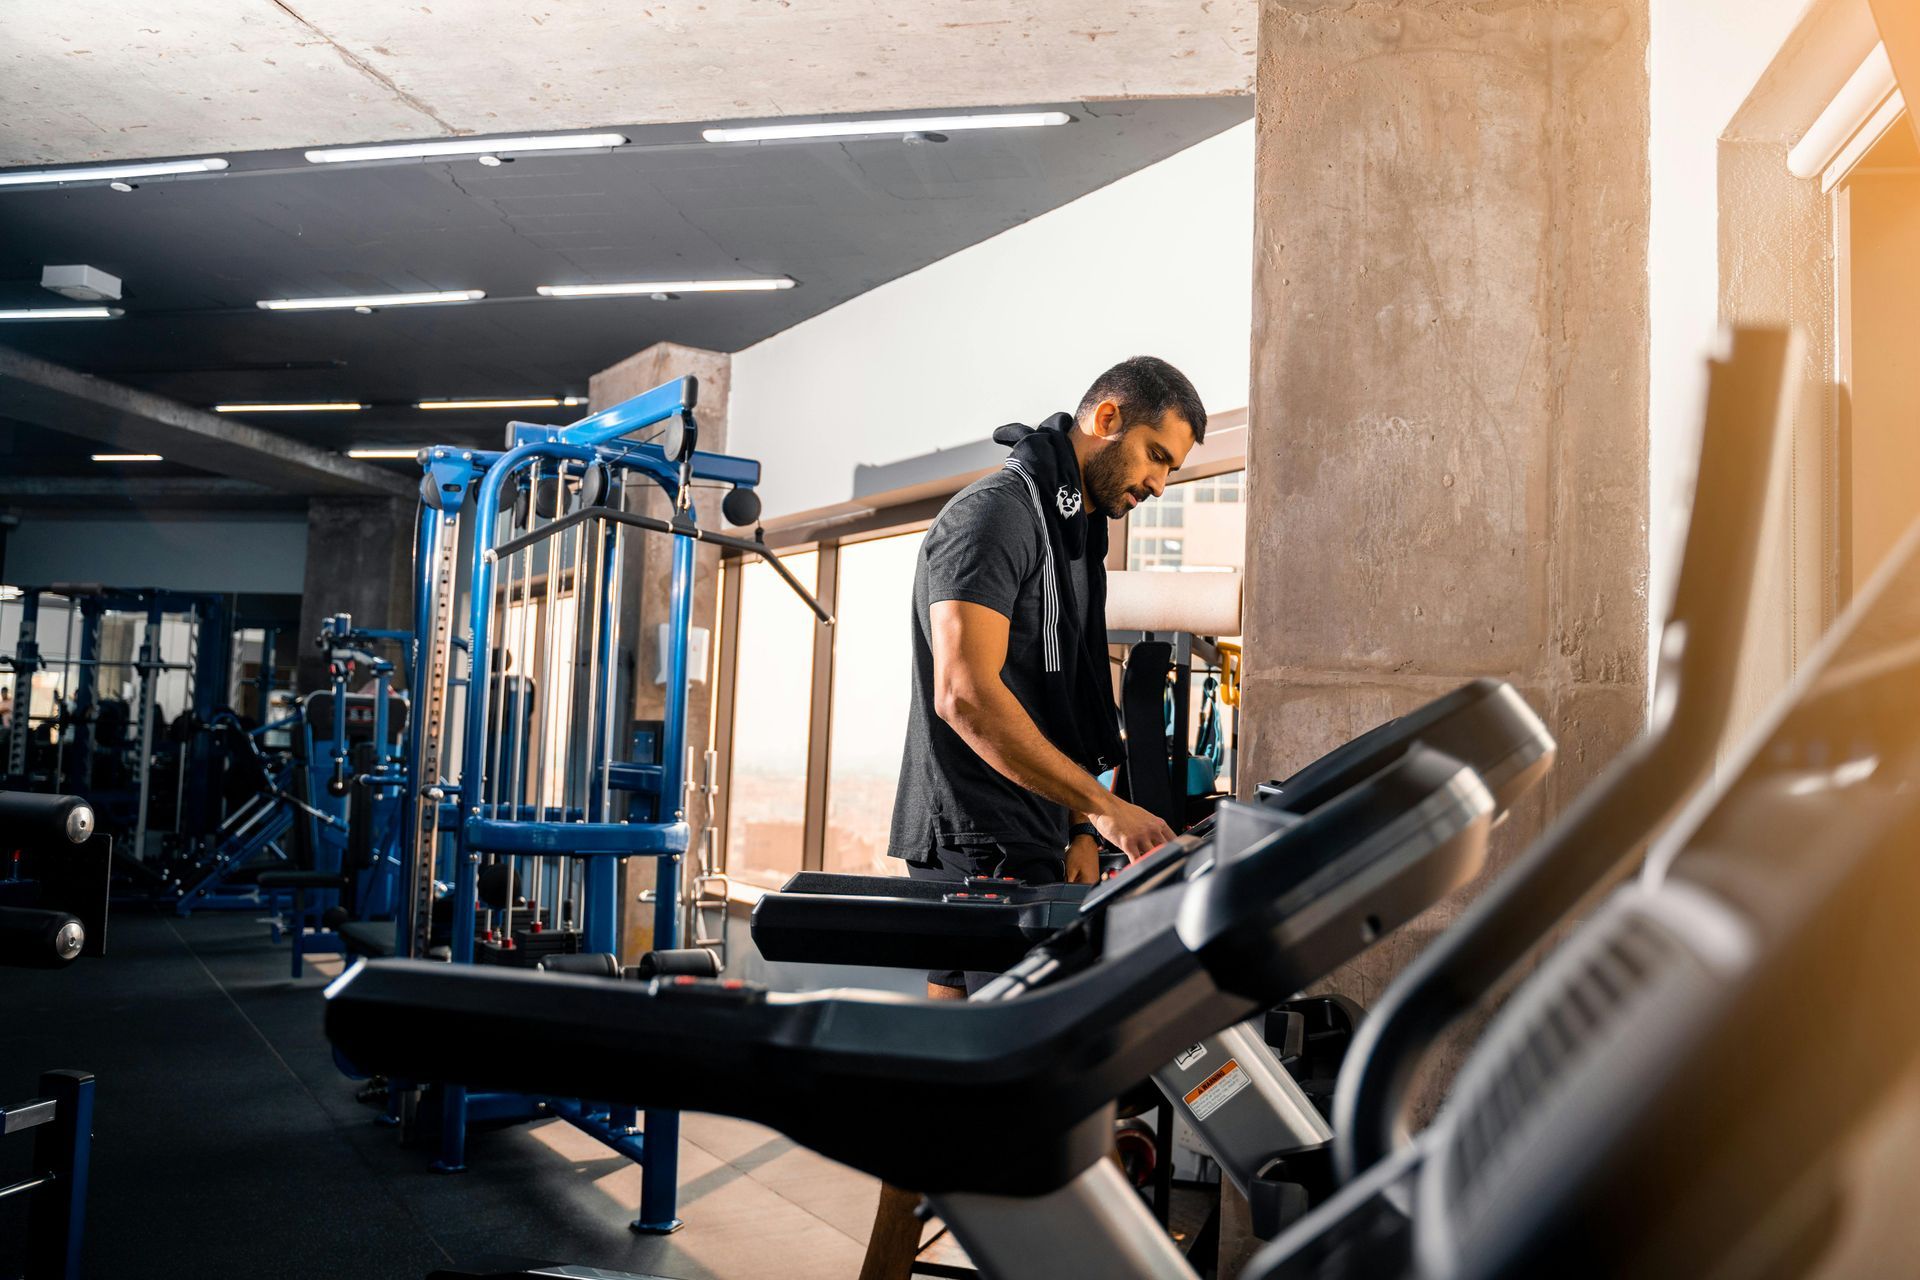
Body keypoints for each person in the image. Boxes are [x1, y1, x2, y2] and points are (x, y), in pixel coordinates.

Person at [860, 356, 1207, 1280]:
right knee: (1036, 1108)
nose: (1156, 482)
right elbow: (965, 694)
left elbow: (1061, 702)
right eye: (1155, 456)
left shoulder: (1073, 534)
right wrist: (1105, 808)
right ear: (1105, 416)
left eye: (1171, 470)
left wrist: (1088, 831)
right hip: (978, 839)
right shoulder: (998, 513)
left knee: (962, 1100)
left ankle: (892, 1265)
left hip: (1030, 836)